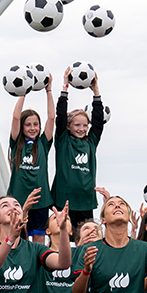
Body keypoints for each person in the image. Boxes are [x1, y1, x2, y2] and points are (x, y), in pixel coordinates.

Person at [51, 68, 103, 226]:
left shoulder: (91, 142)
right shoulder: (63, 140)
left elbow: (98, 123)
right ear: (68, 126)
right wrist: (64, 88)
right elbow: (60, 117)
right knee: (64, 236)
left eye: (85, 125)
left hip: (85, 200)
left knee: (86, 236)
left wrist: (96, 93)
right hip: (64, 199)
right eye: (77, 125)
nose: (82, 129)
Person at [7, 79, 55, 243]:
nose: (33, 128)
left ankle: (38, 260)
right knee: (20, 236)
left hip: (41, 200)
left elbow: (51, 118)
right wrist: (23, 92)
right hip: (19, 199)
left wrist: (48, 91)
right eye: (28, 125)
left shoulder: (43, 143)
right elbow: (15, 117)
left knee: (39, 237)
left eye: (36, 124)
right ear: (22, 127)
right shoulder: (16, 144)